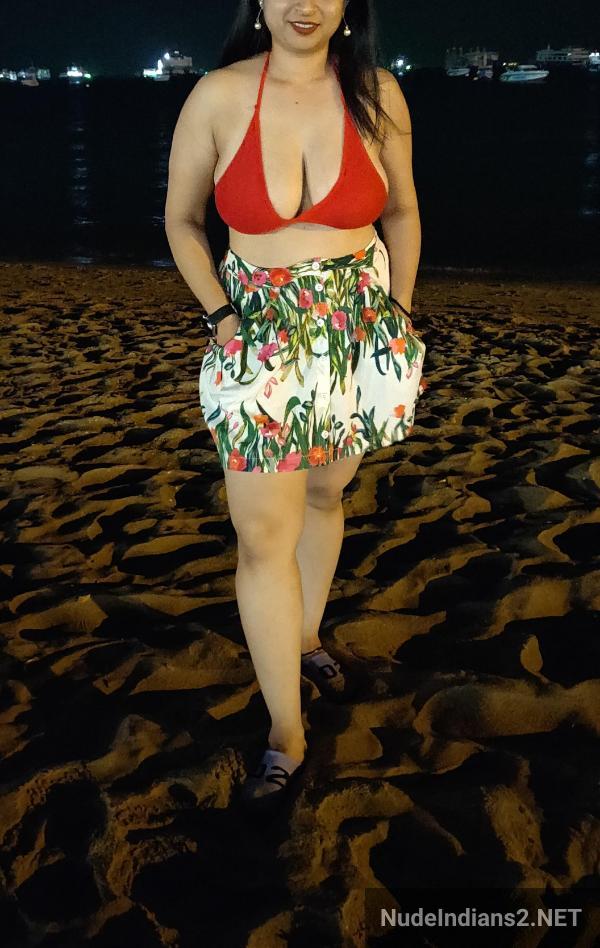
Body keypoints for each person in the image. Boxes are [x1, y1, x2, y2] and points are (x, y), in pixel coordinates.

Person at [165, 0, 427, 813]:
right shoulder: (217, 95)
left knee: (324, 492)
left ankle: (307, 635)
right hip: (259, 335)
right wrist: (223, 320)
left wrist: (399, 315)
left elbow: (402, 211)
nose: (304, 2)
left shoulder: (378, 92)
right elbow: (181, 220)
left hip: (355, 328)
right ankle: (287, 733)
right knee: (263, 535)